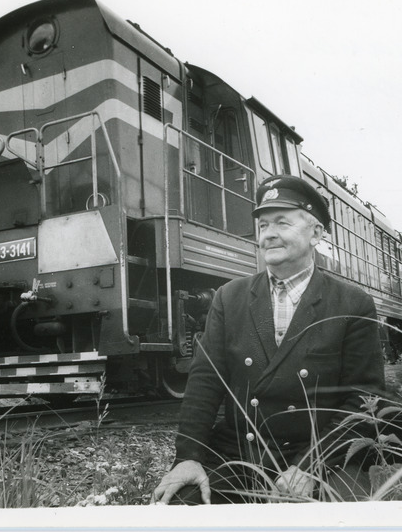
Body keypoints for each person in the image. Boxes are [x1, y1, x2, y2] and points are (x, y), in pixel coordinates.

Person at [151, 175, 385, 504]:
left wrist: (310, 466)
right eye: (263, 226)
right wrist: (188, 456)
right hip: (239, 456)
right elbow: (205, 383)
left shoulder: (352, 303)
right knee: (175, 507)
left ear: (316, 234)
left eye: (281, 223)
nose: (268, 234)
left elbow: (363, 399)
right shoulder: (228, 298)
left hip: (317, 458)